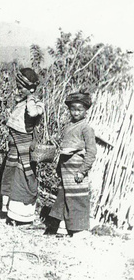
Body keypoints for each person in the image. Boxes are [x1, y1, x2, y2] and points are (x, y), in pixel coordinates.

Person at [49, 90, 96, 238]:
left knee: (78, 199)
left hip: (77, 170)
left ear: (86, 111)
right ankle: (63, 228)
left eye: (79, 110)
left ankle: (78, 230)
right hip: (65, 169)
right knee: (64, 197)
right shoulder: (68, 126)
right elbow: (63, 150)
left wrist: (83, 170)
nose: (75, 113)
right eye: (73, 109)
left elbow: (91, 152)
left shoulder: (86, 128)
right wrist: (58, 168)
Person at [0, 68, 44, 224]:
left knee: (23, 176)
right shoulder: (20, 103)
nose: (18, 91)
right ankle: (11, 213)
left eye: (21, 88)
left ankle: (21, 216)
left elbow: (32, 114)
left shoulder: (35, 103)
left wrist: (31, 96)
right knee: (11, 175)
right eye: (17, 87)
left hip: (25, 146)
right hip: (14, 146)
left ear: (31, 88)